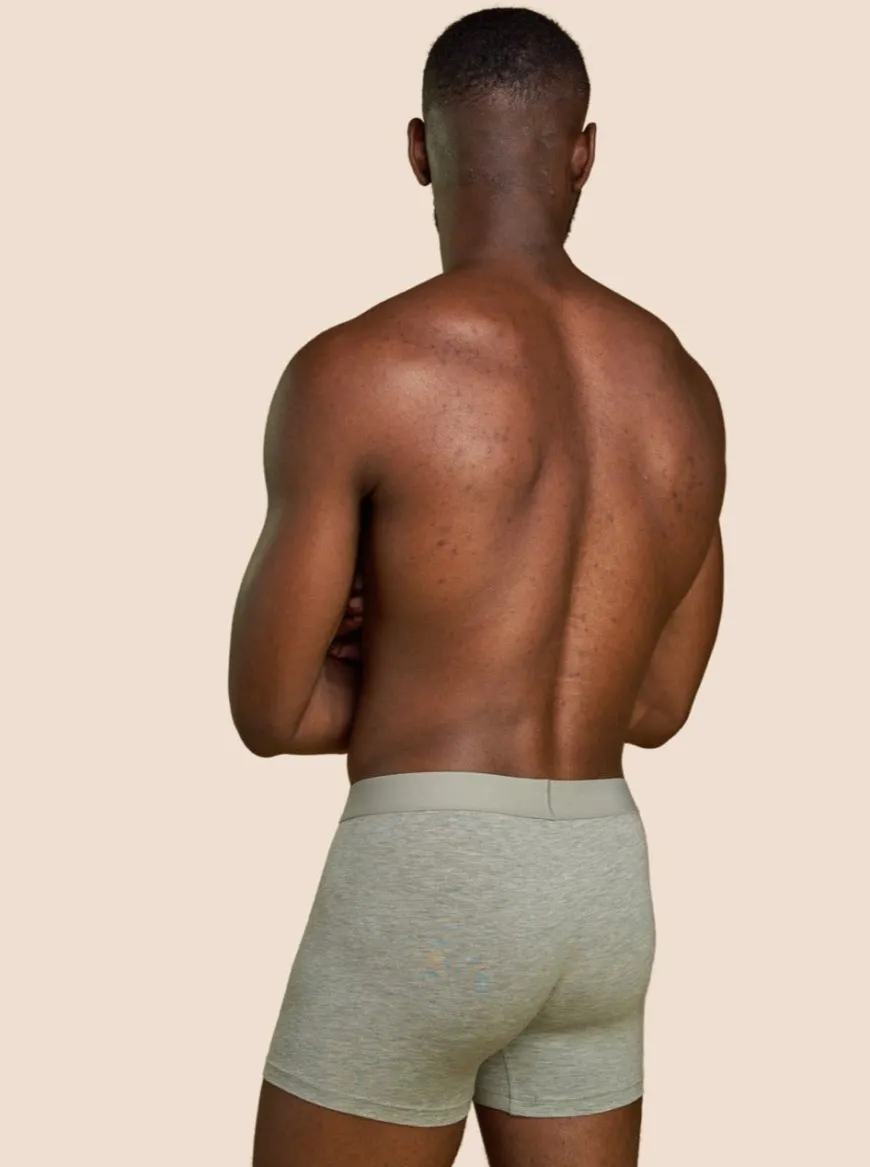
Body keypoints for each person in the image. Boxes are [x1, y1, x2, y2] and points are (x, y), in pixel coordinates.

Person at [228, 7, 726, 1166]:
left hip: (429, 875)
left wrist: (408, 656)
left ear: (419, 148)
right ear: (583, 153)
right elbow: (657, 707)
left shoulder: (357, 370)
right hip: (601, 884)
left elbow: (268, 710)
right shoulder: (682, 387)